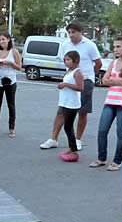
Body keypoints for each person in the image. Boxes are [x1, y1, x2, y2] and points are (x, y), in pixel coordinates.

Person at [40, 22, 102, 150]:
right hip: (69, 79)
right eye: (69, 32)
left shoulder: (89, 45)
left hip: (85, 79)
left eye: (73, 32)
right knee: (61, 110)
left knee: (82, 111)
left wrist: (89, 75)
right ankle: (53, 139)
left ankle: (78, 139)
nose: (71, 35)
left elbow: (98, 63)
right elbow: (65, 61)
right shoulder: (65, 45)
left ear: (81, 33)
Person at [89, 37, 122, 171]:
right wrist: (116, 80)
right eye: (114, 47)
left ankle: (117, 161)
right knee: (102, 130)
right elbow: (104, 80)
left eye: (118, 47)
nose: (115, 50)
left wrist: (112, 80)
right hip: (111, 100)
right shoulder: (113, 63)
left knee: (121, 133)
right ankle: (101, 158)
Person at [56, 51, 84, 162]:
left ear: (75, 60)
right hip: (65, 102)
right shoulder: (69, 71)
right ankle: (71, 148)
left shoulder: (77, 72)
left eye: (68, 60)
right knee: (67, 127)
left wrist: (65, 84)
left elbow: (80, 87)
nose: (66, 62)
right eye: (65, 60)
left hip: (72, 104)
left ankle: (74, 151)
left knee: (68, 127)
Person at [0, 32, 21, 138]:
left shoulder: (14, 52)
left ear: (8, 40)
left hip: (10, 81)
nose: (1, 42)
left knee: (11, 105)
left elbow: (19, 67)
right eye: (0, 40)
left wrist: (11, 63)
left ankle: (11, 128)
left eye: (3, 39)